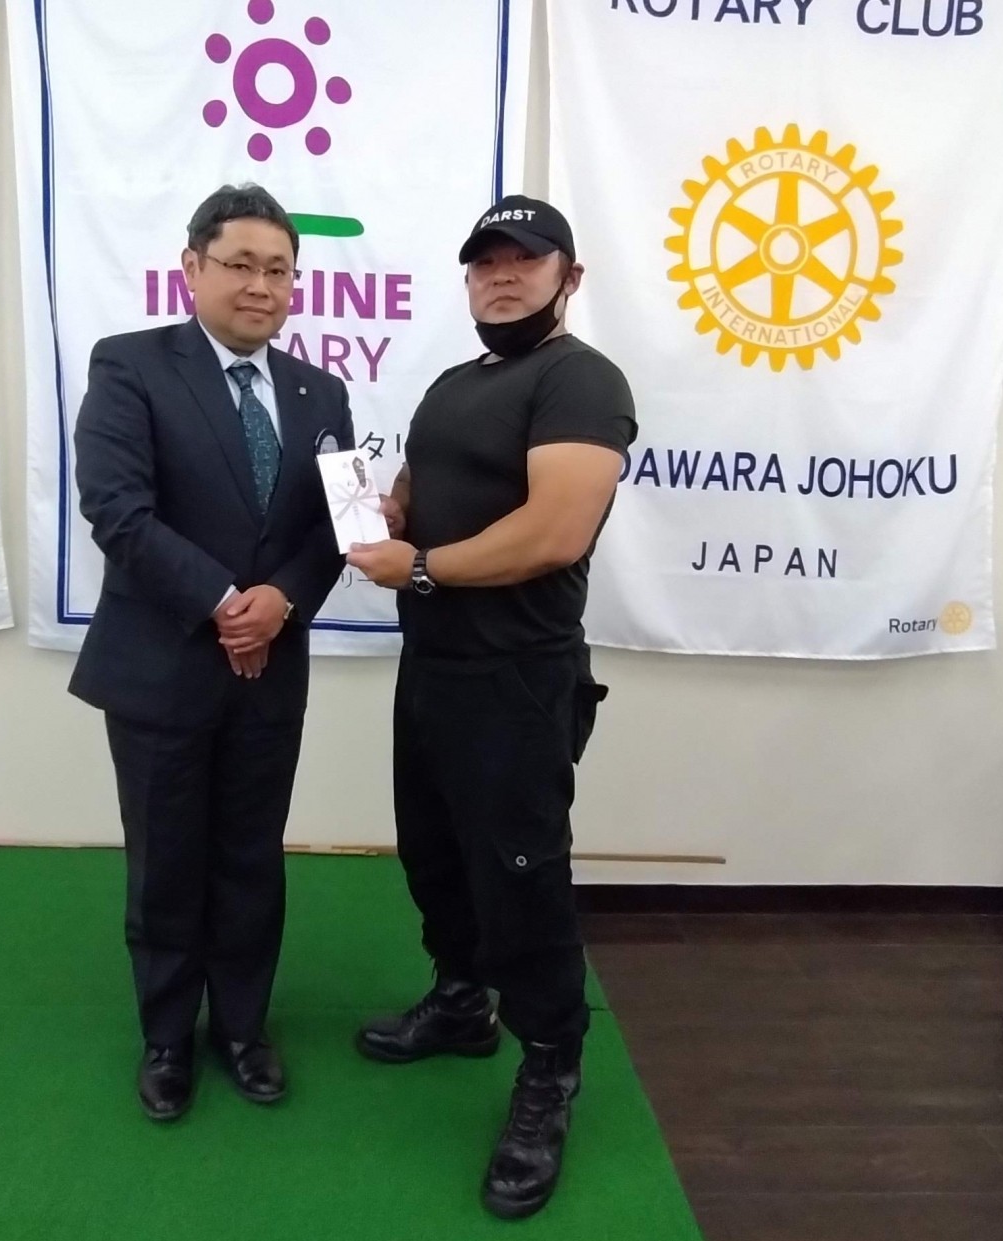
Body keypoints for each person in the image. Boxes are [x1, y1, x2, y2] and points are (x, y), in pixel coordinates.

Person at [344, 195, 634, 1219]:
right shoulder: (454, 383)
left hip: (517, 676)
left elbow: (554, 531)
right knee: (434, 851)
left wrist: (420, 565)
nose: (502, 275)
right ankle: (463, 999)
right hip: (434, 667)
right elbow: (421, 494)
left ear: (569, 276)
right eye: (485, 262)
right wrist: (390, 512)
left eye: (525, 259)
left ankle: (550, 1063)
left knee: (521, 874)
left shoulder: (580, 381)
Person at [69, 183, 354, 1123]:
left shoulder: (323, 393)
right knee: (166, 862)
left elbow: (340, 527)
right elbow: (118, 510)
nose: (261, 286)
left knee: (250, 856)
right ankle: (165, 1037)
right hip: (164, 667)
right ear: (193, 267)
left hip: (272, 670)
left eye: (279, 270)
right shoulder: (130, 366)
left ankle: (242, 1027)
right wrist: (227, 603)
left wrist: (284, 600)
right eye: (240, 264)